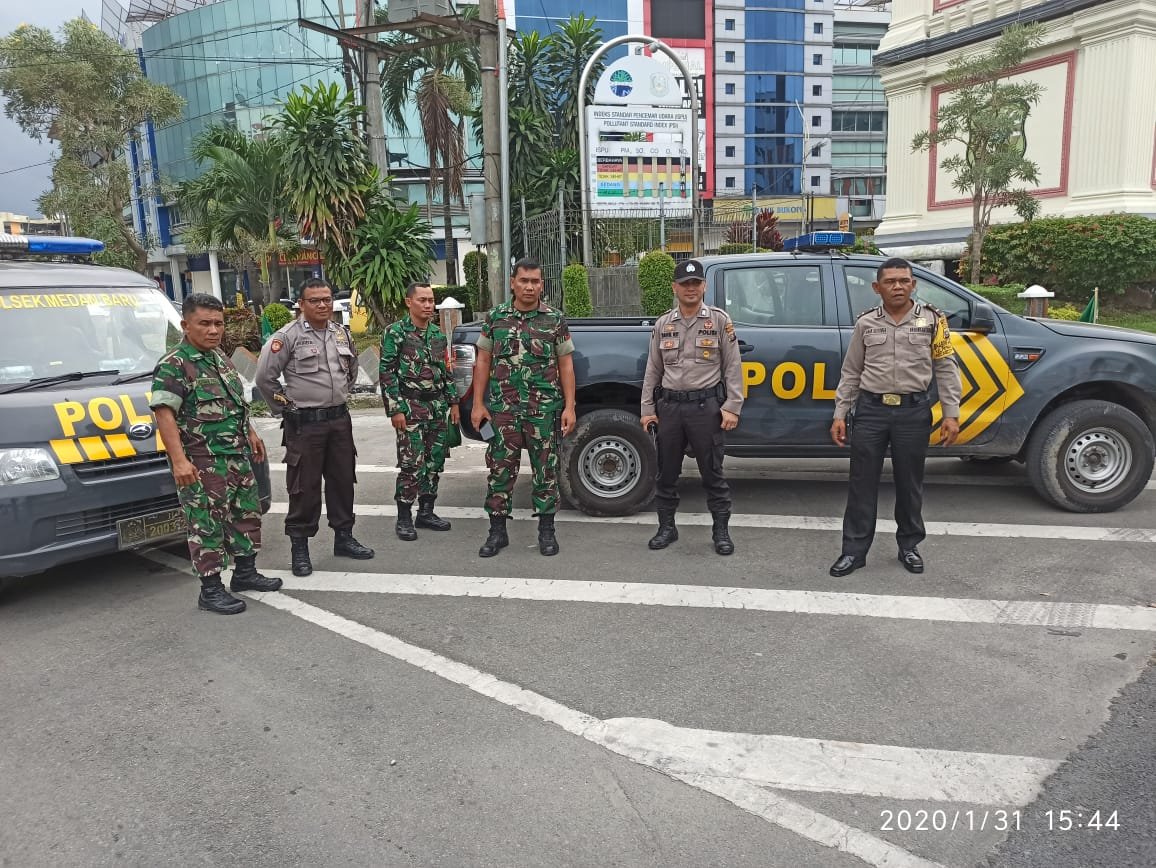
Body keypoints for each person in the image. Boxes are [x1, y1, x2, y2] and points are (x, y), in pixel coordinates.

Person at [829, 257, 963, 577]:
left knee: (909, 483)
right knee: (862, 484)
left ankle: (909, 546)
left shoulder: (932, 320)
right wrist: (840, 413)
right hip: (871, 411)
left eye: (904, 280)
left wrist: (951, 414)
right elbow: (851, 372)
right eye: (890, 282)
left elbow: (946, 368)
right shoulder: (865, 323)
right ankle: (854, 551)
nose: (898, 286)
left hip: (913, 412)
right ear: (877, 288)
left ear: (913, 284)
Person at [151, 293, 282, 614]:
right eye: (204, 323)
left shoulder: (218, 357)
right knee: (206, 524)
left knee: (245, 515)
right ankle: (210, 590)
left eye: (218, 324)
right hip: (201, 462)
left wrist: (249, 432)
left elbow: (234, 402)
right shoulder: (175, 365)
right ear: (185, 325)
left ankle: (246, 573)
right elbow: (164, 414)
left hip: (235, 455)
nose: (213, 330)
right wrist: (179, 461)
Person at [255, 277, 374, 577]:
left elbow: (351, 370)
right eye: (315, 300)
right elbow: (264, 379)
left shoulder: (341, 334)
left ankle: (344, 538)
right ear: (301, 304)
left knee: (343, 481)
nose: (323, 304)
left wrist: (338, 396)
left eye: (327, 299)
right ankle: (300, 549)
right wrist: (286, 408)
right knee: (304, 488)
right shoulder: (288, 336)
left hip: (339, 421)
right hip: (305, 425)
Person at [470, 258, 577, 557]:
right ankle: (497, 532)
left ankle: (546, 532)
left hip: (543, 411)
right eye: (524, 280)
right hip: (503, 412)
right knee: (500, 471)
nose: (530, 286)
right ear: (512, 282)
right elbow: (483, 362)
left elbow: (566, 365)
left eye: (535, 281)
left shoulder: (555, 319)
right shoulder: (495, 318)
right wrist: (478, 404)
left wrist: (570, 406)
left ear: (542, 284)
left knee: (546, 472)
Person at [640, 258, 745, 555]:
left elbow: (733, 367)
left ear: (704, 286)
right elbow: (653, 370)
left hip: (706, 408)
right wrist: (647, 409)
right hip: (670, 409)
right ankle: (666, 528)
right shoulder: (663, 324)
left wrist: (732, 406)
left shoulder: (720, 321)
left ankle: (721, 532)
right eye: (685, 284)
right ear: (675, 287)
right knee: (666, 473)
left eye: (695, 283)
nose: (690, 289)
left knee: (713, 473)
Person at [379, 281, 461, 540]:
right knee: (411, 464)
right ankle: (404, 516)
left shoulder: (437, 334)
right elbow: (387, 373)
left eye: (431, 300)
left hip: (436, 408)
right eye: (423, 300)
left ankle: (426, 512)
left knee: (434, 462)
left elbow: (445, 371)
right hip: (410, 408)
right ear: (409, 302)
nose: (428, 305)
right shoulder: (395, 333)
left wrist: (454, 403)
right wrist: (395, 409)